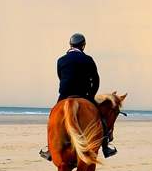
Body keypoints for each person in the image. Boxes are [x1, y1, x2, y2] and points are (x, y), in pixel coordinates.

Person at [40, 32, 117, 160]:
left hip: (65, 95)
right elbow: (96, 80)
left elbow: (61, 77)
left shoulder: (61, 60)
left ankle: (49, 149)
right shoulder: (88, 59)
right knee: (100, 119)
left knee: (52, 118)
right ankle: (105, 147)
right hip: (84, 95)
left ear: (70, 45)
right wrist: (91, 95)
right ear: (83, 46)